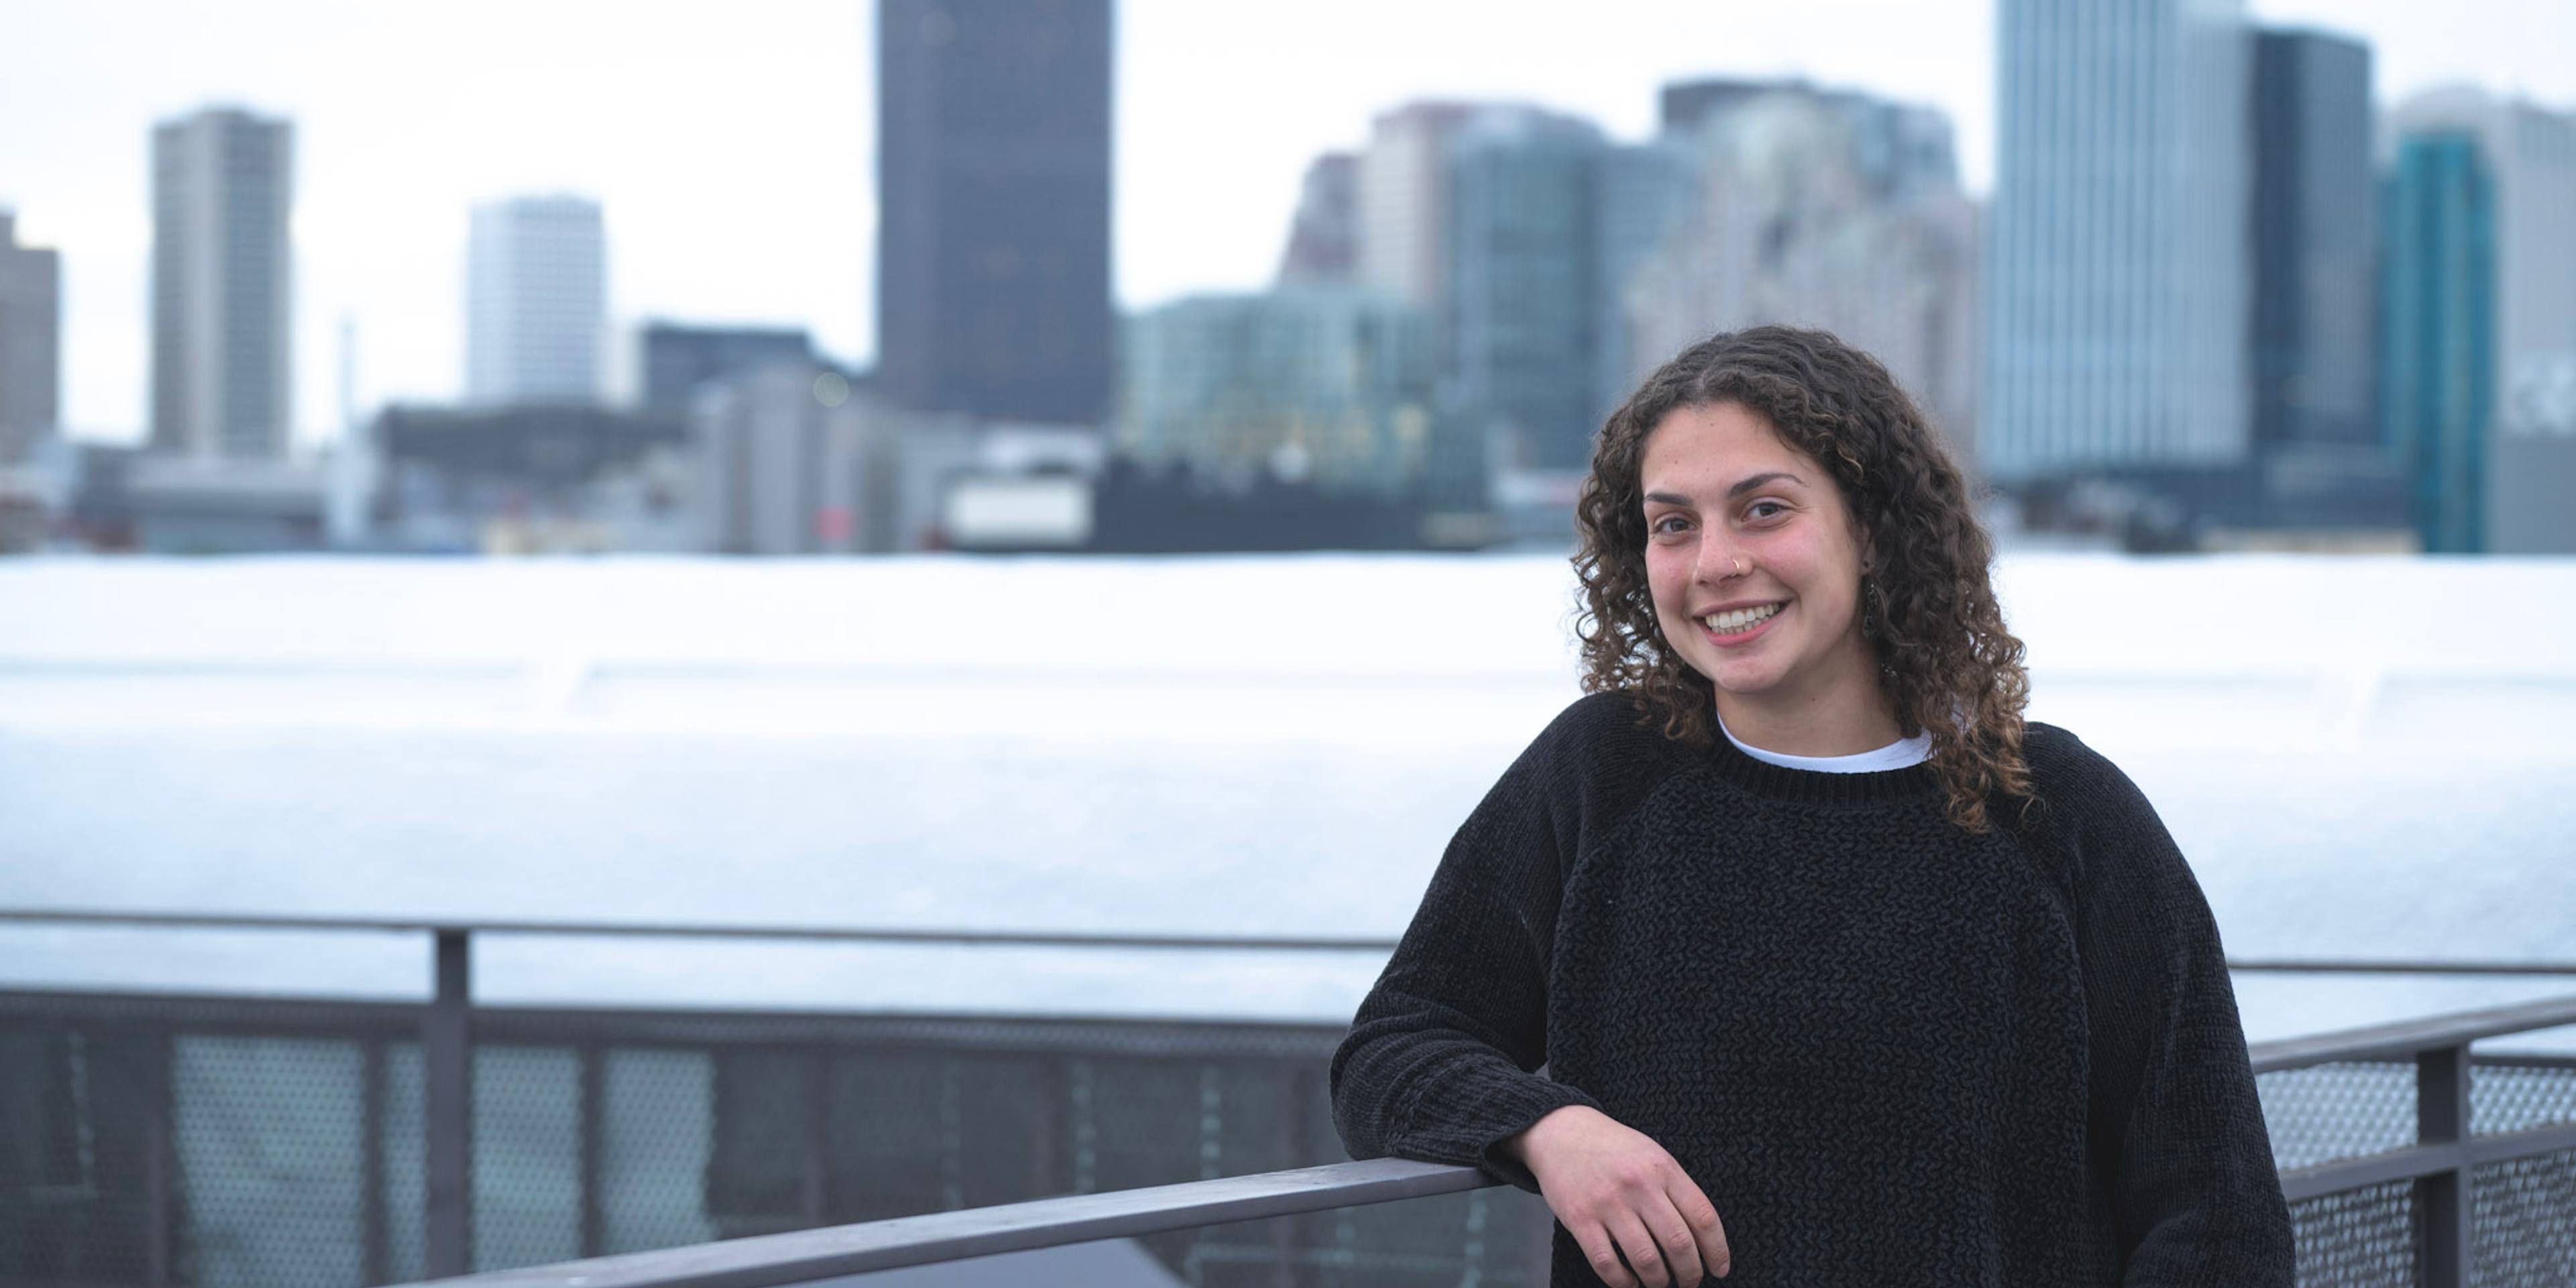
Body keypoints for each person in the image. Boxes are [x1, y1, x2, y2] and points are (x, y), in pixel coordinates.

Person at [1328, 327, 2294, 1287]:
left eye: (1764, 510)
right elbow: (1395, 1048)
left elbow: (2217, 1217)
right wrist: (1550, 1129)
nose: (1714, 563)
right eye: (1674, 524)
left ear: (1871, 530)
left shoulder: (2059, 813)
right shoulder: (1599, 775)